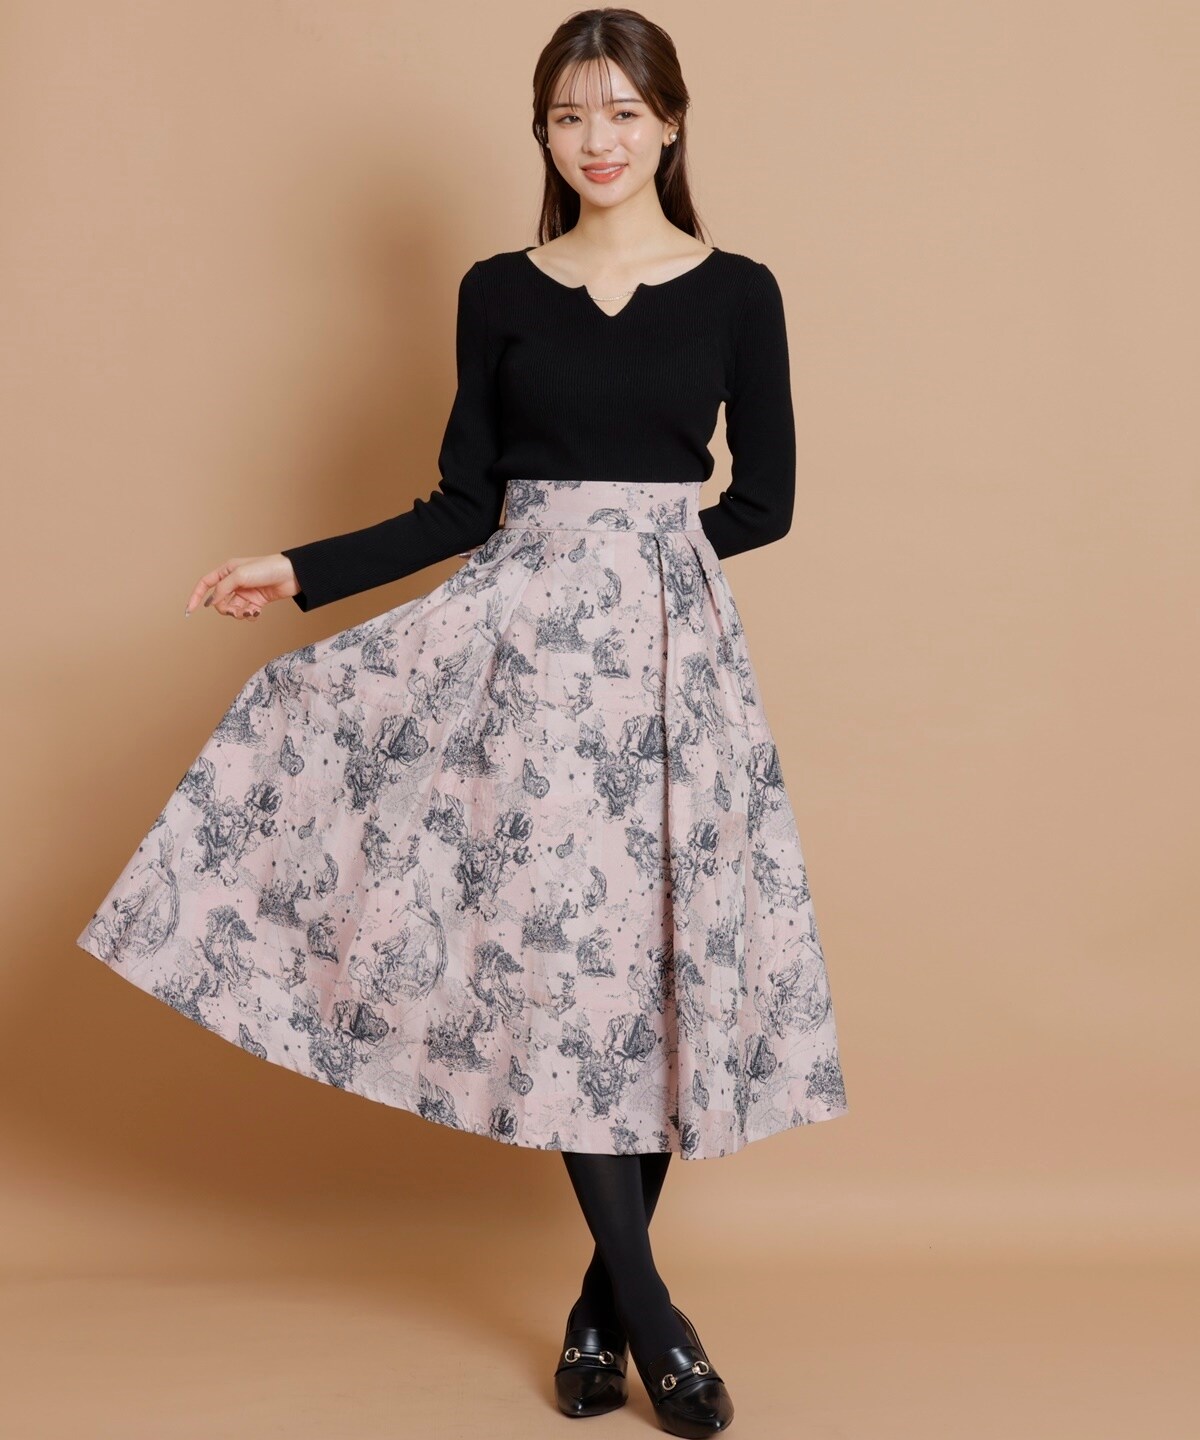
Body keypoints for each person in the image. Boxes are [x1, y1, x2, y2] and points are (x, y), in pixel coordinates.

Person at [78, 10, 848, 1435]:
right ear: (543, 133)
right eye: (569, 116)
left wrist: (637, 569)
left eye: (622, 112)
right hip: (519, 671)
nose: (598, 140)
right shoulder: (498, 290)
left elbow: (766, 501)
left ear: (672, 123)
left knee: (651, 965)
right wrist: (297, 569)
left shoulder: (740, 292)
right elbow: (460, 503)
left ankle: (597, 1311)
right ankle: (659, 1322)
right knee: (564, 968)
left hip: (669, 675)